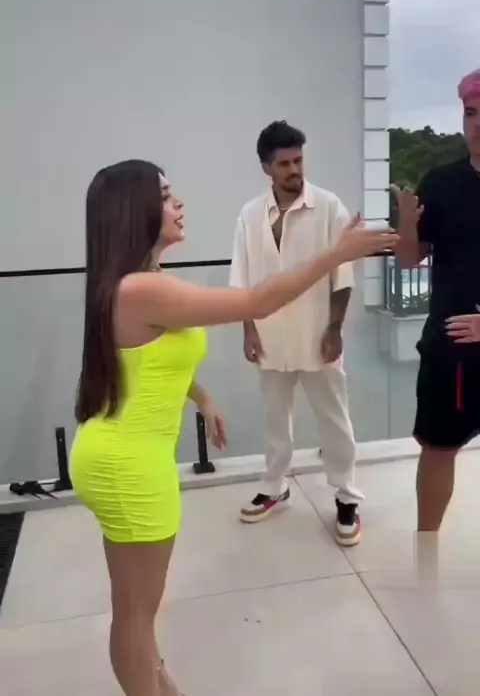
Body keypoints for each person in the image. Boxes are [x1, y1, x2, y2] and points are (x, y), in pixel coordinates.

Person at [69, 159, 397, 696]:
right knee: (135, 613)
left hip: (117, 456)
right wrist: (335, 255)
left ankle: (162, 685)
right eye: (166, 195)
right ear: (133, 210)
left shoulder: (137, 287)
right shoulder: (141, 290)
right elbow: (256, 301)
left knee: (135, 607)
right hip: (129, 467)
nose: (179, 203)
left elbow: (144, 361)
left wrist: (202, 398)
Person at [230, 121, 364, 546]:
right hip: (270, 336)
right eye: (284, 164)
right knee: (276, 418)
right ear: (266, 168)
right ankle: (275, 487)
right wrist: (248, 329)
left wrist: (335, 328)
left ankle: (346, 496)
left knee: (334, 419)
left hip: (318, 334)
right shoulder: (250, 215)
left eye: (298, 160)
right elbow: (241, 279)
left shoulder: (328, 207)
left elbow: (343, 275)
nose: (294, 170)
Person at [392, 69, 480, 533]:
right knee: (438, 449)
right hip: (450, 349)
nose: (477, 125)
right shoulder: (441, 183)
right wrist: (407, 223)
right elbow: (409, 260)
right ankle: (425, 553)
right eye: (471, 113)